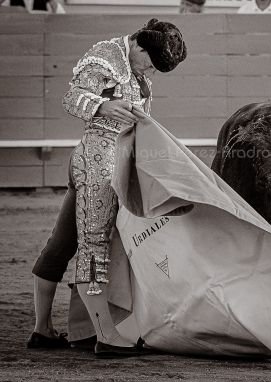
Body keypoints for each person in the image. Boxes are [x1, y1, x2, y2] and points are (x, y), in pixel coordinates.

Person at [27, 18, 187, 357]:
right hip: (96, 160)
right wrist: (101, 105)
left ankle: (48, 329)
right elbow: (71, 98)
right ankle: (106, 337)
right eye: (151, 63)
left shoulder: (139, 70)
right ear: (140, 46)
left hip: (118, 161)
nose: (151, 71)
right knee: (95, 245)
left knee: (64, 243)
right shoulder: (105, 55)